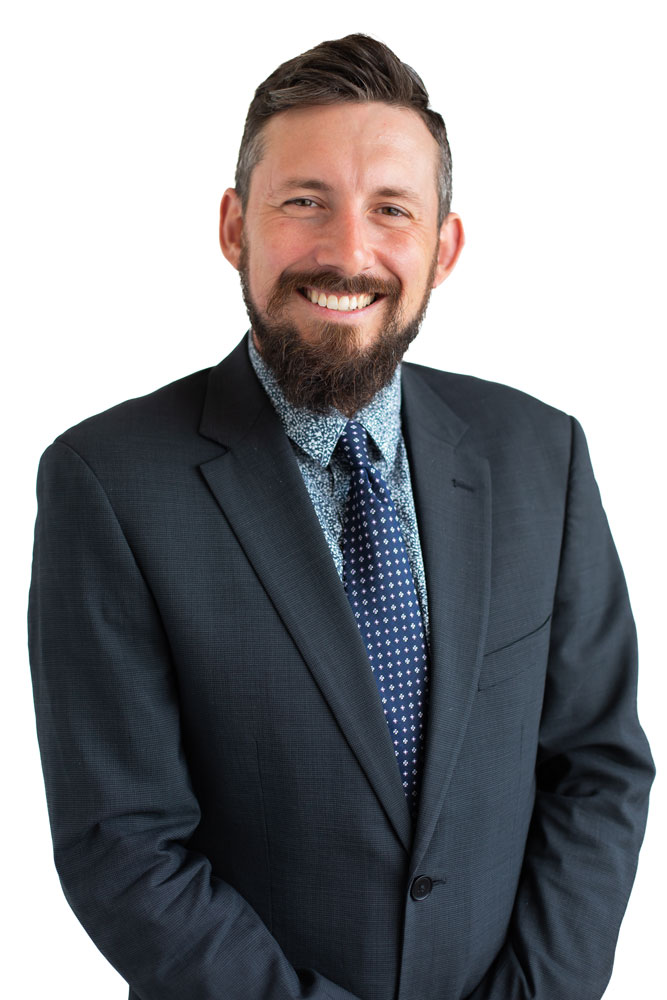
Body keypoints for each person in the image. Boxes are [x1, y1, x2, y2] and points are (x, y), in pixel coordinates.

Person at [28, 33, 653, 1000]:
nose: (347, 253)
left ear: (443, 248)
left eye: (390, 209)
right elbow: (124, 847)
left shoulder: (543, 455)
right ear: (234, 226)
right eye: (304, 202)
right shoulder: (107, 483)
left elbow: (597, 769)